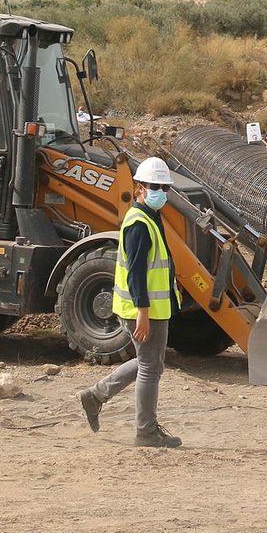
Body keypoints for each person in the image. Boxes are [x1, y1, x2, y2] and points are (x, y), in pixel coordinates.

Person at [79, 157, 181, 449]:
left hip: (150, 309)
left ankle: (95, 395)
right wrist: (144, 314)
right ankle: (146, 432)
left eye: (164, 187)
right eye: (155, 186)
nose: (161, 191)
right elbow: (136, 273)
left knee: (150, 364)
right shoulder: (138, 223)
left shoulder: (150, 217)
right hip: (143, 310)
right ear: (139, 188)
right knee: (150, 367)